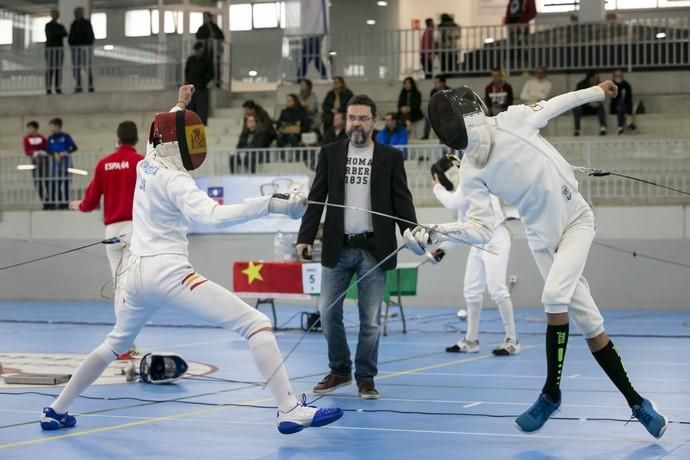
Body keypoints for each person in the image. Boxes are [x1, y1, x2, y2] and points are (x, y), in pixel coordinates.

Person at [40, 85, 344, 435]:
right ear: (178, 145)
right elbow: (214, 216)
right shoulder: (176, 181)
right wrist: (271, 204)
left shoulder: (147, 162)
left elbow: (161, 133)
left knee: (114, 344)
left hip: (134, 276)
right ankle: (289, 409)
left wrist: (180, 106)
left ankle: (56, 409)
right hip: (168, 274)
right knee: (256, 323)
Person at [404, 83, 668, 439]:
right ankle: (637, 403)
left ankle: (551, 393)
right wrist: (436, 231)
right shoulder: (470, 170)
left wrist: (598, 92)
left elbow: (557, 103)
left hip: (576, 221)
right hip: (540, 239)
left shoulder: (513, 119)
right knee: (590, 323)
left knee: (553, 298)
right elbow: (481, 229)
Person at [296, 94, 417, 400]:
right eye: (352, 117)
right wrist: (305, 237)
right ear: (345, 121)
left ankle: (366, 377)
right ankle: (339, 370)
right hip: (338, 248)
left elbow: (402, 203)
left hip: (374, 251)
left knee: (371, 320)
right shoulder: (330, 154)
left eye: (363, 118)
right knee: (327, 312)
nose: (357, 123)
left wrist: (414, 233)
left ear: (373, 122)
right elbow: (316, 198)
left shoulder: (390, 157)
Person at [427, 156, 519, 356]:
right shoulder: (464, 190)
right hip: (479, 240)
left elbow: (452, 201)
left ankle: (512, 340)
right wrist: (443, 249)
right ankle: (471, 340)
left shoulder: (471, 177)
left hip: (496, 237)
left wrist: (436, 188)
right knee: (471, 290)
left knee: (497, 289)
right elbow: (464, 229)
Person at [68, 121, 143, 359]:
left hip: (112, 232)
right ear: (136, 139)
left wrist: (78, 205)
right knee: (134, 288)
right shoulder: (141, 162)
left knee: (121, 287)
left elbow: (89, 202)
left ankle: (124, 343)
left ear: (117, 139)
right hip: (136, 230)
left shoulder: (104, 163)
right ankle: (124, 344)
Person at [46, 118, 78, 209]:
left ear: (57, 126)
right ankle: (59, 203)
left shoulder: (65, 136)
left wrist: (64, 152)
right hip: (55, 166)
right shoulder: (50, 138)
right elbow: (48, 150)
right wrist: (54, 154)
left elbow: (74, 147)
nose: (50, 128)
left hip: (66, 164)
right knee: (56, 184)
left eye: (52, 126)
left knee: (66, 184)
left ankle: (66, 203)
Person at [185, 42, 214, 125]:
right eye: (196, 50)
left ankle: (202, 124)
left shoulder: (207, 60)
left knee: (201, 108)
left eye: (199, 50)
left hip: (201, 88)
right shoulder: (191, 60)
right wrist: (187, 82)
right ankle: (190, 123)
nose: (198, 52)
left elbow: (211, 74)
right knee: (190, 107)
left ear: (202, 50)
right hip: (191, 88)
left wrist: (204, 82)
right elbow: (187, 71)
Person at [23, 121, 50, 209]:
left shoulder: (42, 138)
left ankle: (49, 200)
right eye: (29, 128)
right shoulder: (26, 138)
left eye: (31, 128)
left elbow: (47, 149)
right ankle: (44, 201)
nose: (30, 130)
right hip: (35, 164)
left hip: (45, 164)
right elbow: (27, 150)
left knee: (47, 182)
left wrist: (42, 152)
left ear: (36, 128)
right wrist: (33, 153)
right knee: (37, 183)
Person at [68, 6, 95, 93]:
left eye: (78, 13)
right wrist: (75, 44)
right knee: (76, 68)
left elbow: (91, 37)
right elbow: (70, 38)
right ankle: (78, 85)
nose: (76, 15)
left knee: (87, 67)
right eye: (75, 13)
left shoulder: (86, 23)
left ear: (81, 13)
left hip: (84, 49)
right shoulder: (73, 24)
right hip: (75, 49)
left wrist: (84, 43)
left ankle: (90, 86)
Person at [195, 12, 225, 88]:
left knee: (216, 66)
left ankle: (217, 83)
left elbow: (221, 36)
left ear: (210, 18)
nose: (206, 19)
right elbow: (198, 36)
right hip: (206, 51)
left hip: (215, 51)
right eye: (204, 18)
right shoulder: (202, 28)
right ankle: (206, 82)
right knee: (206, 67)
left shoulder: (215, 27)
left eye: (207, 17)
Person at [573, 71, 607, 136]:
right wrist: (589, 103)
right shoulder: (581, 85)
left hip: (594, 108)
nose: (598, 79)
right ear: (591, 78)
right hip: (583, 107)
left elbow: (602, 97)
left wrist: (596, 103)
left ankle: (603, 128)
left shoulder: (600, 85)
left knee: (600, 106)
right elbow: (578, 99)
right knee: (577, 108)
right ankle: (577, 130)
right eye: (596, 78)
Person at [44, 9, 67, 95]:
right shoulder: (48, 25)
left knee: (58, 70)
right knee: (50, 69)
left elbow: (65, 33)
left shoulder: (60, 26)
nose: (56, 16)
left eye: (57, 14)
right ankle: (48, 88)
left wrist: (56, 34)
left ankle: (57, 88)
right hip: (50, 51)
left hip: (58, 51)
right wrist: (58, 34)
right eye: (54, 14)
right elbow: (50, 35)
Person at [611, 69, 638, 135]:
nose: (618, 77)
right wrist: (618, 85)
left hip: (625, 107)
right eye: (616, 76)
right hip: (615, 107)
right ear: (613, 77)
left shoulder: (627, 85)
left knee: (624, 103)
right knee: (620, 102)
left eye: (619, 76)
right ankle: (628, 121)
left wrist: (628, 111)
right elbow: (615, 98)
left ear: (622, 76)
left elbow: (629, 99)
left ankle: (620, 128)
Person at [422, 75, 450, 140]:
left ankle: (445, 136)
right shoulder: (433, 91)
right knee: (428, 117)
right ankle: (426, 135)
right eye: (434, 83)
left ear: (442, 83)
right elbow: (432, 104)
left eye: (436, 82)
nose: (435, 84)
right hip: (437, 112)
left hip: (447, 112)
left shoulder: (449, 91)